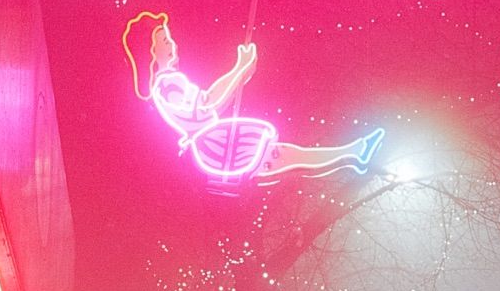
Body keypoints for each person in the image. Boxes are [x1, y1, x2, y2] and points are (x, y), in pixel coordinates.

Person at [121, 10, 384, 184]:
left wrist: (241, 68)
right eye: (164, 40)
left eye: (169, 37)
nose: (172, 43)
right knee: (287, 156)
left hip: (218, 142)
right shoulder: (168, 85)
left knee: (288, 155)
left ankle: (355, 151)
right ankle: (355, 151)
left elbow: (208, 97)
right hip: (219, 145)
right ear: (151, 52)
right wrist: (241, 69)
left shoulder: (170, 81)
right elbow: (208, 102)